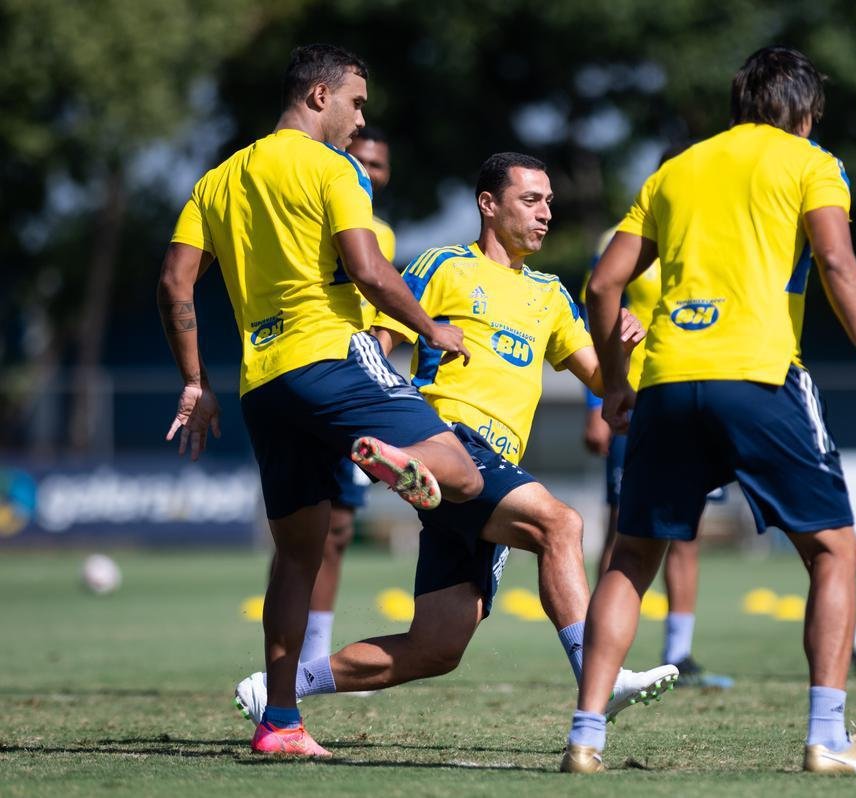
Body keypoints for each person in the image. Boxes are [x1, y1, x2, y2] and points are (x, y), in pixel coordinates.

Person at [233, 152, 678, 727]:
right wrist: (356, 417)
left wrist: (624, 345)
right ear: (488, 205)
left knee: (437, 648)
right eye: (531, 200)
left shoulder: (551, 294)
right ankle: (600, 674)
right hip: (456, 440)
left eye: (549, 203)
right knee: (560, 524)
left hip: (488, 472)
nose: (545, 215)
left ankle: (278, 687)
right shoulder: (441, 265)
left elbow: (601, 377)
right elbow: (380, 341)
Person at [562, 46, 856, 775]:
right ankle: (828, 738)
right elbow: (837, 262)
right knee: (835, 552)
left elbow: (602, 286)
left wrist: (615, 384)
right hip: (759, 375)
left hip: (667, 382)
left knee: (629, 558)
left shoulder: (675, 170)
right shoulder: (812, 162)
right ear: (806, 110)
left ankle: (586, 737)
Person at [158, 43, 484, 758]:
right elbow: (367, 271)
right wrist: (431, 327)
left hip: (263, 384)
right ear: (318, 98)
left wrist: (196, 381)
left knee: (296, 559)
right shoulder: (332, 168)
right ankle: (385, 458)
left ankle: (280, 723)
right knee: (462, 477)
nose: (359, 116)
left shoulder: (218, 179)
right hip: (332, 356)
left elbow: (175, 283)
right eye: (355, 102)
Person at [583, 221, 733, 690]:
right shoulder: (617, 242)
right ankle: (593, 654)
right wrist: (598, 401)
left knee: (687, 530)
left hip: (699, 401)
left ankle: (679, 653)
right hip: (638, 403)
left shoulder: (714, 237)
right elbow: (600, 315)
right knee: (623, 529)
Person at [297, 124, 397, 666]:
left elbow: (381, 314)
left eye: (377, 165)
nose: (367, 172)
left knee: (338, 527)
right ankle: (289, 661)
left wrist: (374, 354)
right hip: (314, 369)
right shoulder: (314, 210)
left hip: (356, 374)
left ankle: (313, 654)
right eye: (358, 159)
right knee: (303, 529)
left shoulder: (382, 231)